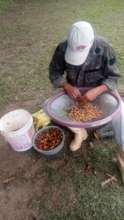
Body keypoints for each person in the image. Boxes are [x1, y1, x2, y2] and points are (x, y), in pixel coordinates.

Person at [49, 21, 124, 183]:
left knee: (121, 112)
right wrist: (66, 85)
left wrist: (97, 90)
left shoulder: (104, 48)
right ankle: (79, 133)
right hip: (74, 90)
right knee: (60, 109)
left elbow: (113, 77)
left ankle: (123, 153)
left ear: (90, 43)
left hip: (100, 88)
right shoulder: (62, 48)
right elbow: (54, 73)